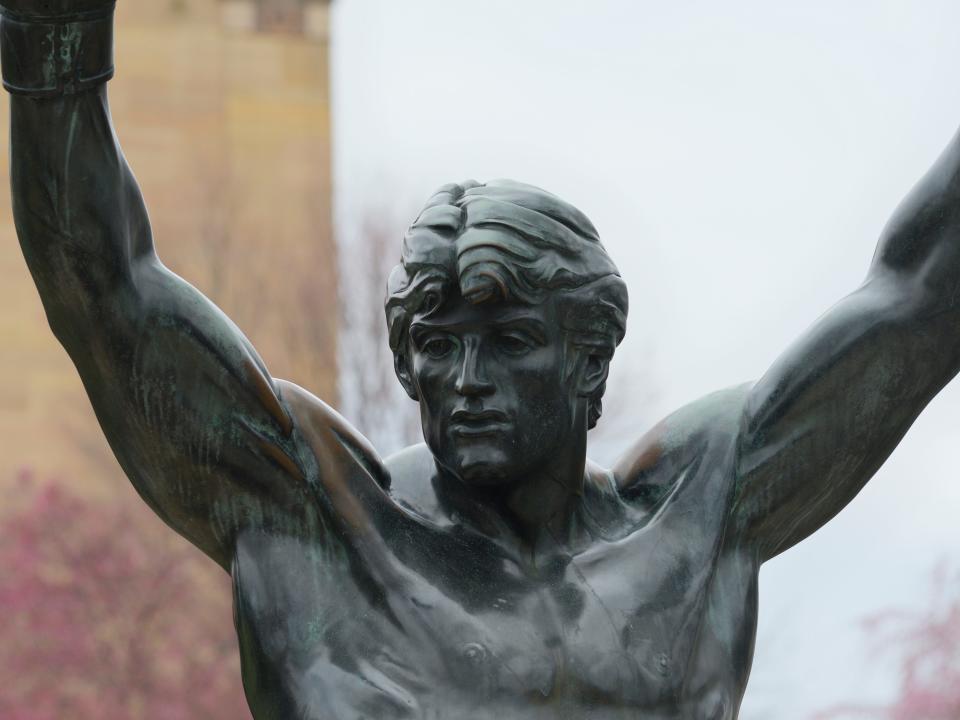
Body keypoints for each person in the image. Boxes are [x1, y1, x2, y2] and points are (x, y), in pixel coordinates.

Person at [4, 2, 959, 719]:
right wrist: (53, 36)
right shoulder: (321, 519)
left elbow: (920, 303)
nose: (463, 381)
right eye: (435, 346)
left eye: (507, 344)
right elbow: (104, 291)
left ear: (590, 362)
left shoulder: (696, 517)